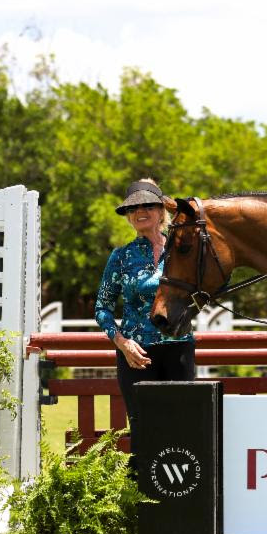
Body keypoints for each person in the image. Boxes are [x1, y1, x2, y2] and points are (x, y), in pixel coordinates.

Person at [95, 178, 196, 423]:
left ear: (161, 211)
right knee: (144, 428)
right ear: (128, 217)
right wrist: (122, 343)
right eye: (133, 208)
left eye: (148, 205)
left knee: (183, 425)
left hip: (179, 348)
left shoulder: (182, 250)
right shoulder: (121, 257)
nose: (140, 211)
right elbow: (102, 308)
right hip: (137, 355)